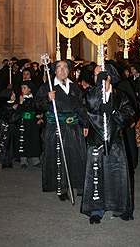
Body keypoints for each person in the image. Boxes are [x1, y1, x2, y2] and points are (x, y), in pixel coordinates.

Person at [81, 63, 134, 223]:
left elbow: (128, 117)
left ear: (110, 76)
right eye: (96, 74)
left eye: (102, 74)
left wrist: (112, 111)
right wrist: (99, 87)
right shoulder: (90, 93)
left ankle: (119, 208)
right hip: (96, 141)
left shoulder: (120, 96)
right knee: (96, 175)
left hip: (115, 141)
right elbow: (88, 104)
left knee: (117, 174)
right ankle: (96, 209)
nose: (99, 77)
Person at [33, 59, 88, 201]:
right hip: (55, 128)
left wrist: (85, 124)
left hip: (74, 127)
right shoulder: (48, 87)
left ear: (69, 70)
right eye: (59, 68)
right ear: (55, 71)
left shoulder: (75, 86)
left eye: (65, 67)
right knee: (57, 157)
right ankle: (61, 187)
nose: (62, 70)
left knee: (77, 156)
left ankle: (79, 184)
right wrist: (47, 99)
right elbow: (37, 106)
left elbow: (81, 107)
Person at [15, 80, 43, 168]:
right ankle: (23, 160)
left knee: (34, 140)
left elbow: (37, 108)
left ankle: (36, 160)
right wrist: (20, 102)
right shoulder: (21, 98)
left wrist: (39, 116)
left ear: (29, 89)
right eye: (22, 88)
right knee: (23, 140)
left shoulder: (34, 99)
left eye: (24, 88)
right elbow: (18, 110)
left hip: (33, 122)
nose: (22, 90)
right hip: (23, 122)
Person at [0, 88, 20, 168]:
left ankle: (11, 160)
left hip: (13, 128)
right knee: (5, 145)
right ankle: (4, 161)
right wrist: (13, 110)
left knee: (12, 145)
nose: (14, 95)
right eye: (12, 94)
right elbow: (7, 117)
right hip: (6, 128)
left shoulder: (15, 104)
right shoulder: (4, 106)